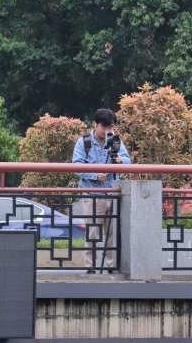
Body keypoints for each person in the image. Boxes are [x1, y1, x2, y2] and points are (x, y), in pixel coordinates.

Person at [72, 109, 132, 269]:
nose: (108, 131)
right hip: (92, 194)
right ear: (95, 124)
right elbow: (76, 166)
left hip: (112, 193)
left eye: (111, 127)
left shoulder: (116, 141)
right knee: (92, 233)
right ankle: (90, 268)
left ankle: (111, 267)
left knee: (112, 233)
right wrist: (94, 174)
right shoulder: (83, 142)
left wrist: (121, 161)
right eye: (104, 127)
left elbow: (128, 161)